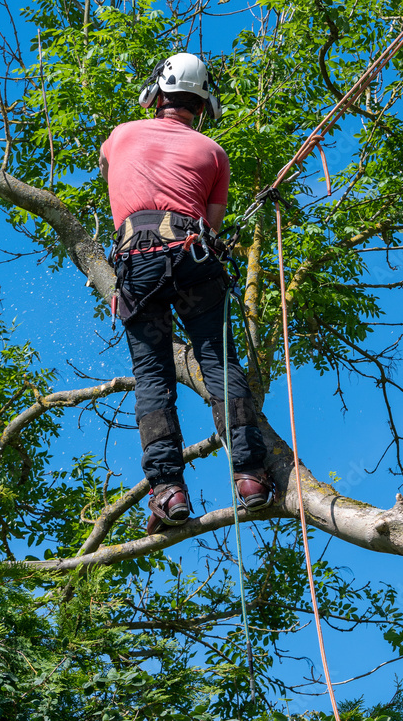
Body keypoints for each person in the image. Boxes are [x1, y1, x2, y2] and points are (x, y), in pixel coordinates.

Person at [99, 53, 274, 535]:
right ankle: (251, 477)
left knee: (152, 374)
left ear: (157, 94)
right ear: (203, 103)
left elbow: (112, 169)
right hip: (194, 258)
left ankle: (167, 490)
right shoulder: (214, 154)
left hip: (136, 263)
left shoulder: (120, 136)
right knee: (219, 364)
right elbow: (212, 228)